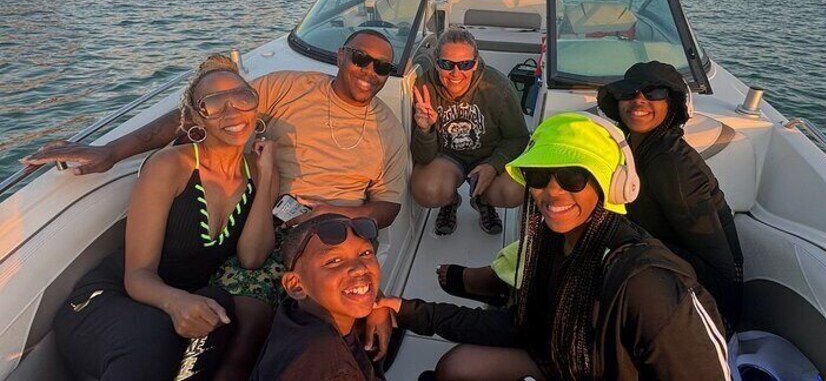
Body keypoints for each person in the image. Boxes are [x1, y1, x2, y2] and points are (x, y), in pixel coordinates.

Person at [28, 29, 408, 375]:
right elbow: (202, 114)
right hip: (266, 227)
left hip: (330, 232)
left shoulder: (384, 130)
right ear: (341, 55)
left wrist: (327, 208)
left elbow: (387, 208)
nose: (369, 71)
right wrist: (112, 151)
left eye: (382, 66)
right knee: (231, 327)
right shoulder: (287, 90)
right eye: (361, 58)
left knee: (335, 324)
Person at [376, 113, 731, 380]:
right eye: (539, 176)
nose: (552, 192)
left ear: (611, 184)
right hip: (565, 359)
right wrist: (408, 311)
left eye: (573, 177)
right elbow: (522, 326)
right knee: (456, 368)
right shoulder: (553, 243)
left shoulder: (648, 284)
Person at [52, 55, 278, 381]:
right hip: (107, 301)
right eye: (214, 104)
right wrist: (176, 303)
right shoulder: (171, 166)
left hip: (177, 306)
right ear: (196, 118)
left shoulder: (258, 172)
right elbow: (137, 275)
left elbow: (252, 257)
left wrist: (267, 177)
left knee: (218, 309)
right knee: (155, 333)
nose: (232, 112)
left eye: (242, 97)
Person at [596, 60, 744, 331]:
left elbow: (717, 267)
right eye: (629, 92)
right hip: (662, 268)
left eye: (654, 93)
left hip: (704, 301)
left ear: (672, 104)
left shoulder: (672, 163)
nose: (639, 100)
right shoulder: (635, 146)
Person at [411, 27, 528, 235]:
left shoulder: (499, 88)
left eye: (465, 64)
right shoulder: (424, 88)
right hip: (447, 158)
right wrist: (425, 129)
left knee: (514, 191)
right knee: (425, 190)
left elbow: (518, 137)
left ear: (475, 63)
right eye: (446, 64)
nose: (456, 73)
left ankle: (483, 200)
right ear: (436, 62)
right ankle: (450, 201)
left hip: (488, 156)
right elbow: (423, 157)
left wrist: (494, 165)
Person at [251, 214, 384, 381]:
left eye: (365, 253)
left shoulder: (295, 310)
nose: (360, 268)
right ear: (295, 286)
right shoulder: (330, 365)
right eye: (334, 261)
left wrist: (382, 307)